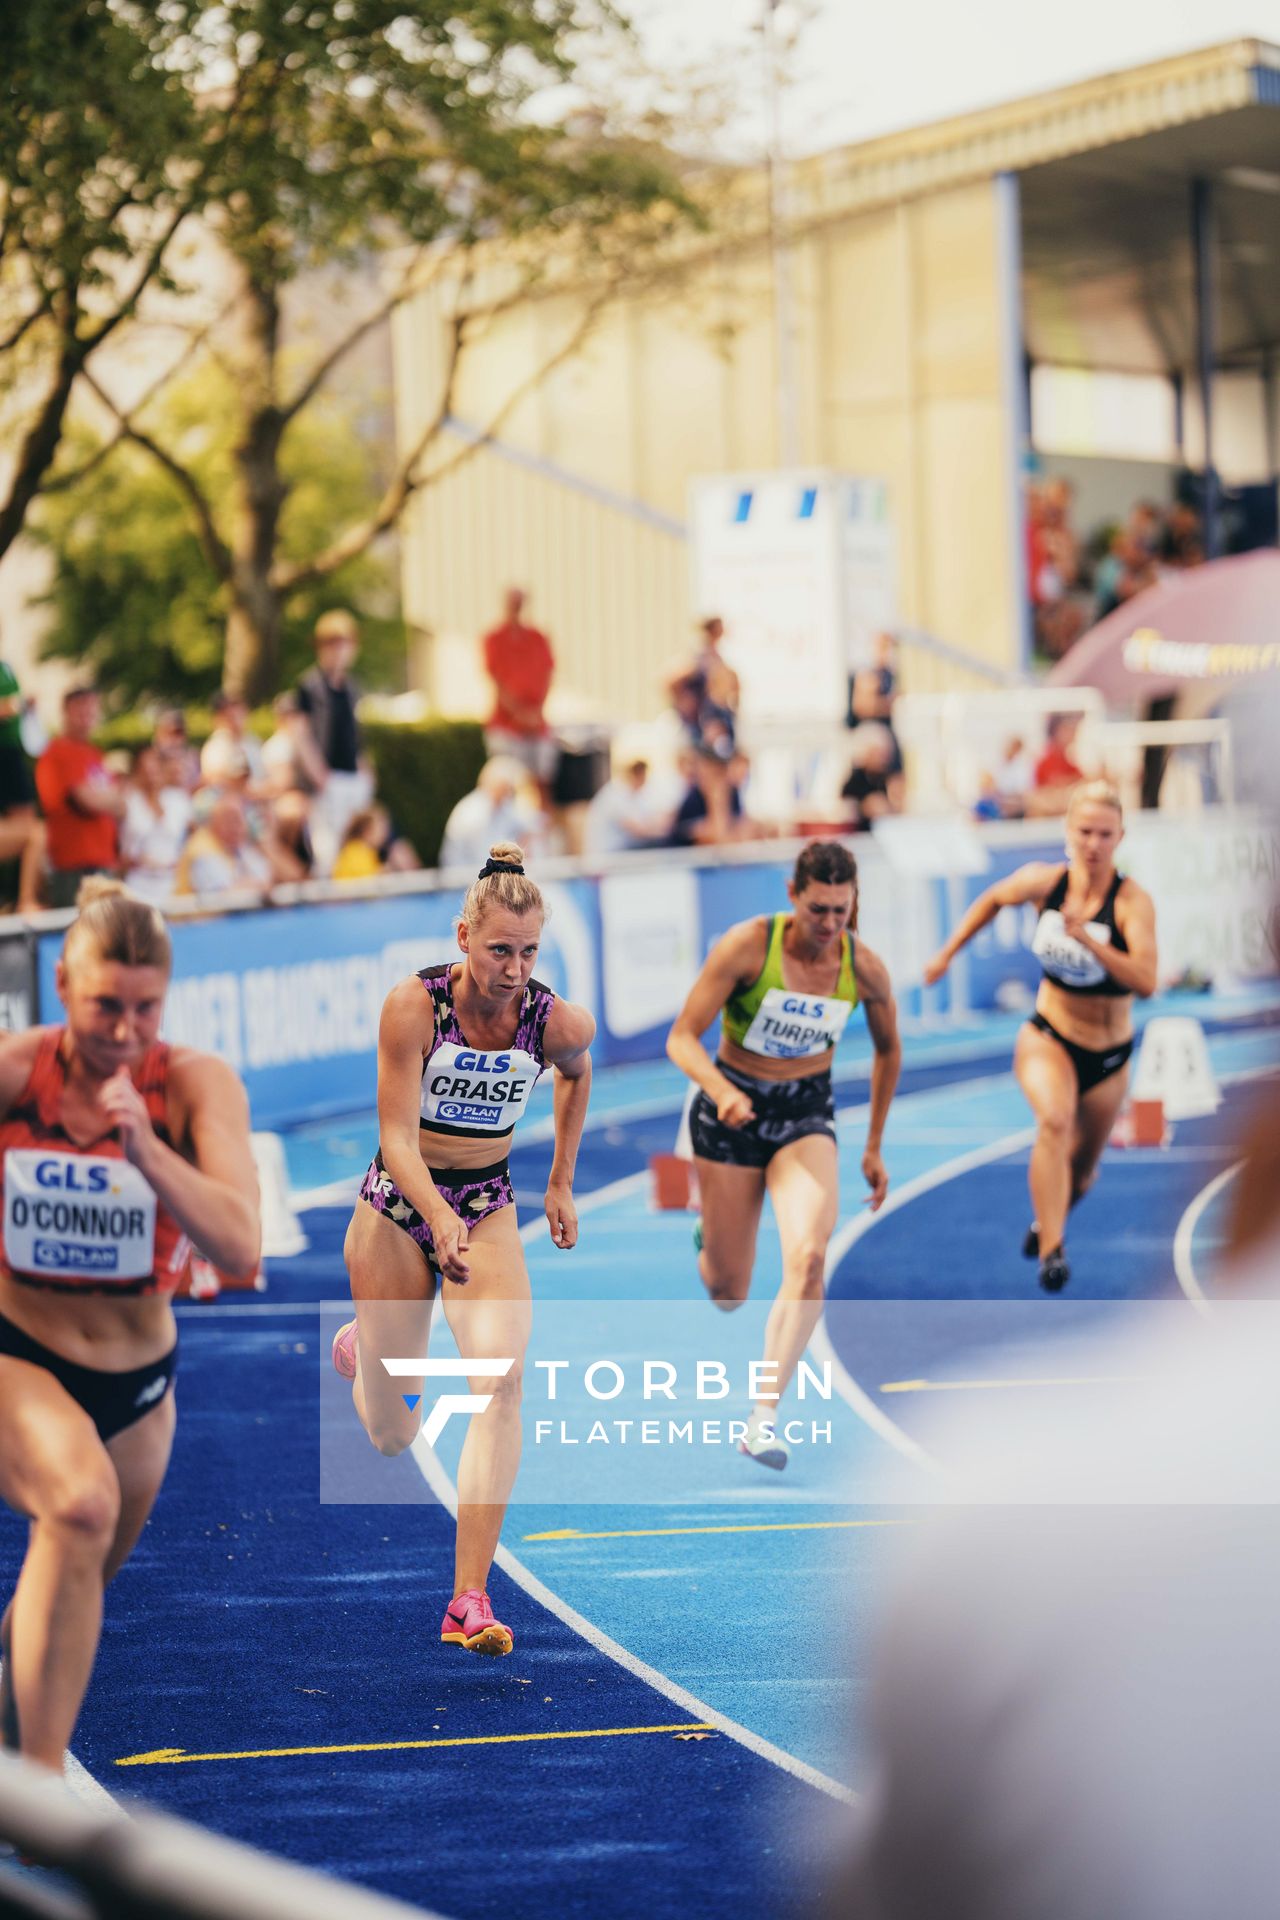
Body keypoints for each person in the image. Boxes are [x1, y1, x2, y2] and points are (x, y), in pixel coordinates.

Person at [0, 880, 260, 1771]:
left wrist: (147, 1151)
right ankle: (37, 1821)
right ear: (65, 984)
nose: (124, 1028)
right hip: (18, 1350)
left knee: (73, 1576)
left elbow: (240, 1245)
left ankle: (10, 1721)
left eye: (145, 1008)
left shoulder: (192, 1085)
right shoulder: (16, 1071)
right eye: (106, 1005)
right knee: (77, 1506)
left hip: (140, 1389)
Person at [331, 844, 594, 1656]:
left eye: (529, 952)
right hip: (399, 1207)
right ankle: (365, 1351)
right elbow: (396, 1140)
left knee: (503, 1380)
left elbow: (579, 1074)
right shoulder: (415, 1007)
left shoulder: (554, 1020)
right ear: (464, 938)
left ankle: (468, 1598)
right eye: (499, 950)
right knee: (391, 1437)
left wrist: (558, 1180)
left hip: (487, 1207)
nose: (515, 969)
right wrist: (434, 1220)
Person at [665, 840, 901, 1470]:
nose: (829, 925)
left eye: (841, 911)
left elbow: (888, 1050)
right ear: (794, 895)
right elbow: (682, 1037)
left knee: (810, 1255)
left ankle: (762, 1417)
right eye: (818, 909)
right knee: (728, 1291)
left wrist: (873, 1144)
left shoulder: (865, 969)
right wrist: (719, 1090)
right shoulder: (749, 946)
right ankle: (709, 1238)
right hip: (730, 1114)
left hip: (804, 1114)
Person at [923, 780, 1157, 1291]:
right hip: (1049, 1033)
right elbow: (992, 899)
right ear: (1067, 832)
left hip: (1109, 1052)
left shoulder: (1130, 903)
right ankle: (1053, 1250)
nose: (1093, 844)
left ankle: (1045, 1222)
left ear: (1121, 837)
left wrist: (1088, 942)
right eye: (1084, 832)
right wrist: (947, 953)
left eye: (1104, 834)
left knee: (1084, 1174)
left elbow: (1146, 981)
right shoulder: (1045, 882)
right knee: (1053, 1119)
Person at [295, 610, 375, 868]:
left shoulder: (352, 687)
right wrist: (319, 775)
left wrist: (365, 770)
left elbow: (355, 735)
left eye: (344, 642)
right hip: (326, 782)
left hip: (351, 778)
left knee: (355, 844)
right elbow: (300, 733)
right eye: (331, 643)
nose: (338, 650)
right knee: (326, 848)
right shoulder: (309, 685)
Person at [35, 686, 124, 909]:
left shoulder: (94, 753)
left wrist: (104, 798)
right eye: (80, 708)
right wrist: (107, 798)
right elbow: (86, 801)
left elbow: (121, 804)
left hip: (102, 861)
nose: (87, 715)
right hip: (74, 865)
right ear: (66, 711)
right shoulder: (57, 752)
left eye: (91, 709)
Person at [481, 588, 557, 794]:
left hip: (536, 724)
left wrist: (537, 712)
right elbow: (495, 680)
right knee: (508, 780)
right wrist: (519, 713)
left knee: (542, 780)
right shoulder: (494, 638)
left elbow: (549, 674)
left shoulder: (537, 638)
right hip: (507, 725)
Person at [438, 757, 545, 871]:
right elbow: (483, 858)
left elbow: (530, 825)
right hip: (464, 877)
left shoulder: (502, 805)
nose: (508, 793)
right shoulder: (472, 814)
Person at [119, 744, 193, 904]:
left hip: (174, 886)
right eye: (145, 767)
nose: (151, 773)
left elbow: (196, 834)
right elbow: (120, 850)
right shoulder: (128, 801)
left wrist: (184, 861)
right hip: (137, 886)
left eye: (156, 766)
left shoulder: (178, 800)